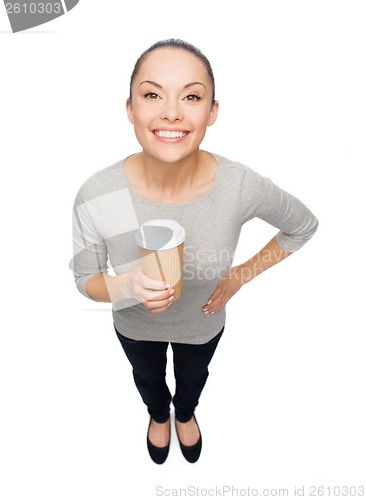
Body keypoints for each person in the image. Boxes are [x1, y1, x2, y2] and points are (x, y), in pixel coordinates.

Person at [70, 39, 318, 464]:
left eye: (191, 96)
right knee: (147, 378)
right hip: (135, 326)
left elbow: (302, 227)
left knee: (193, 378)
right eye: (152, 95)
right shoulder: (102, 192)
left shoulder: (239, 186)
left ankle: (184, 413)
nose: (171, 112)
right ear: (130, 109)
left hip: (202, 324)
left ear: (212, 111)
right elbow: (84, 280)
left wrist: (239, 276)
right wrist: (127, 284)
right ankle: (157, 415)